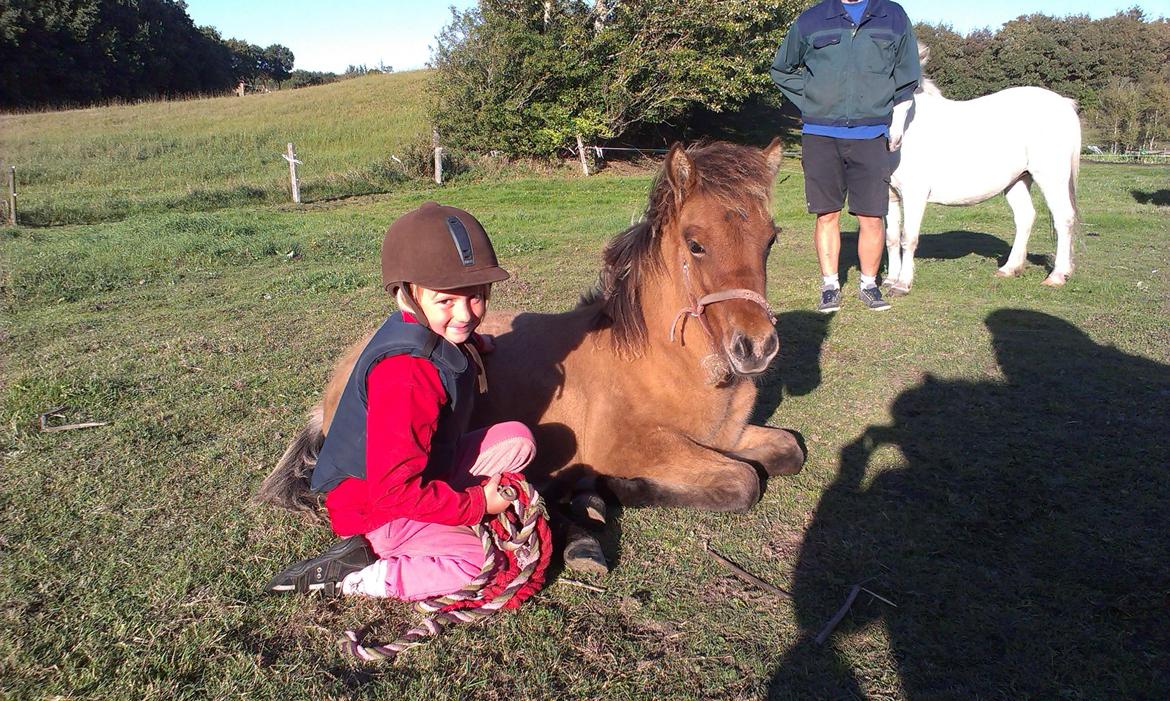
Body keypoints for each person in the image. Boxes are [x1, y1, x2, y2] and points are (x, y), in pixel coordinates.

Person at [264, 201, 536, 600]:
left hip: (418, 472)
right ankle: (359, 573)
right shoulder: (407, 377)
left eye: (476, 297)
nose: (465, 314)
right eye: (446, 302)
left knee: (517, 439)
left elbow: (450, 330)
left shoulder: (424, 331)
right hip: (376, 506)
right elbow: (394, 490)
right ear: (407, 296)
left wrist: (472, 340)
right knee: (477, 562)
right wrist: (477, 504)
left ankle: (439, 519)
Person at [770, 0, 920, 312]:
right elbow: (781, 68)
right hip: (820, 134)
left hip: (870, 135)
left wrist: (893, 116)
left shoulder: (892, 16)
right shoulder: (812, 19)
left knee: (872, 216)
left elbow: (907, 77)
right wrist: (813, 97)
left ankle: (869, 285)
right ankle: (830, 286)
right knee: (827, 214)